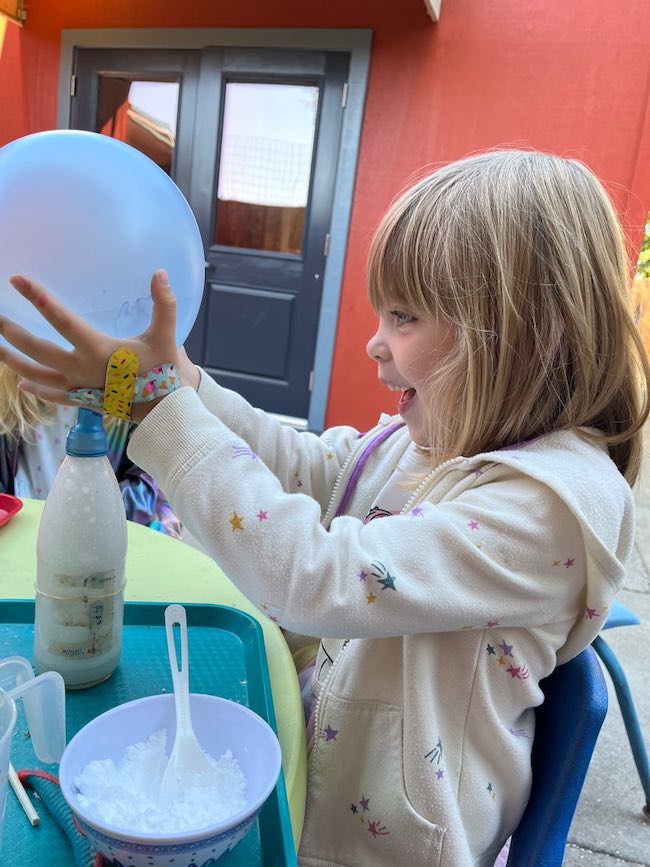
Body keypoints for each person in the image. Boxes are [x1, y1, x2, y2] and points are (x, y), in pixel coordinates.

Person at [0, 149, 648, 866]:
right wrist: (178, 381)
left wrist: (160, 411)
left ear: (520, 335)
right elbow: (303, 466)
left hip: (388, 852)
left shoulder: (545, 512)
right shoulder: (428, 442)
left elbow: (318, 578)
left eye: (404, 317)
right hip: (325, 777)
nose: (374, 343)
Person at [0, 362, 181, 537]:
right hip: (24, 530)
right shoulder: (9, 392)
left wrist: (92, 508)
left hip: (103, 536)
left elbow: (150, 490)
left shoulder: (133, 389)